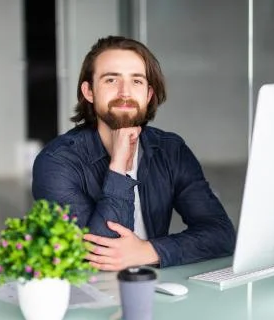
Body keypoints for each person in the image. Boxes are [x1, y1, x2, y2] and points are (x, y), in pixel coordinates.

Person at [32, 36, 236, 271]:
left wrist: (148, 251)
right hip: (89, 294)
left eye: (136, 81)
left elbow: (221, 234)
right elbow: (98, 258)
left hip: (153, 285)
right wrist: (119, 167)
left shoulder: (170, 150)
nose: (125, 92)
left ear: (148, 94)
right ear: (89, 91)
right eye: (111, 80)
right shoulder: (57, 162)